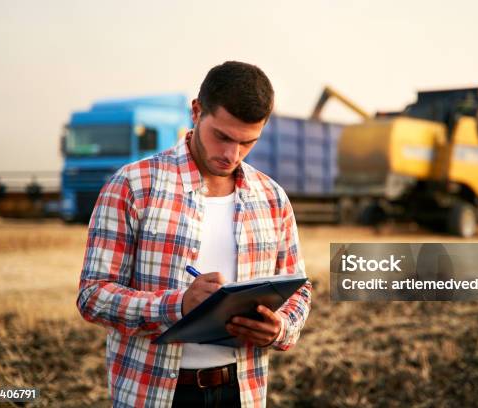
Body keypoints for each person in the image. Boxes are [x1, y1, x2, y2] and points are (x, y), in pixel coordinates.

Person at [76, 61, 311, 408]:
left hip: (242, 391)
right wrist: (178, 305)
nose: (232, 154)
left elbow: (300, 290)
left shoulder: (272, 197)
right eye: (223, 136)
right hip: (151, 393)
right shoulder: (132, 186)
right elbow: (92, 296)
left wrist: (278, 328)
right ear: (196, 111)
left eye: (248, 142)